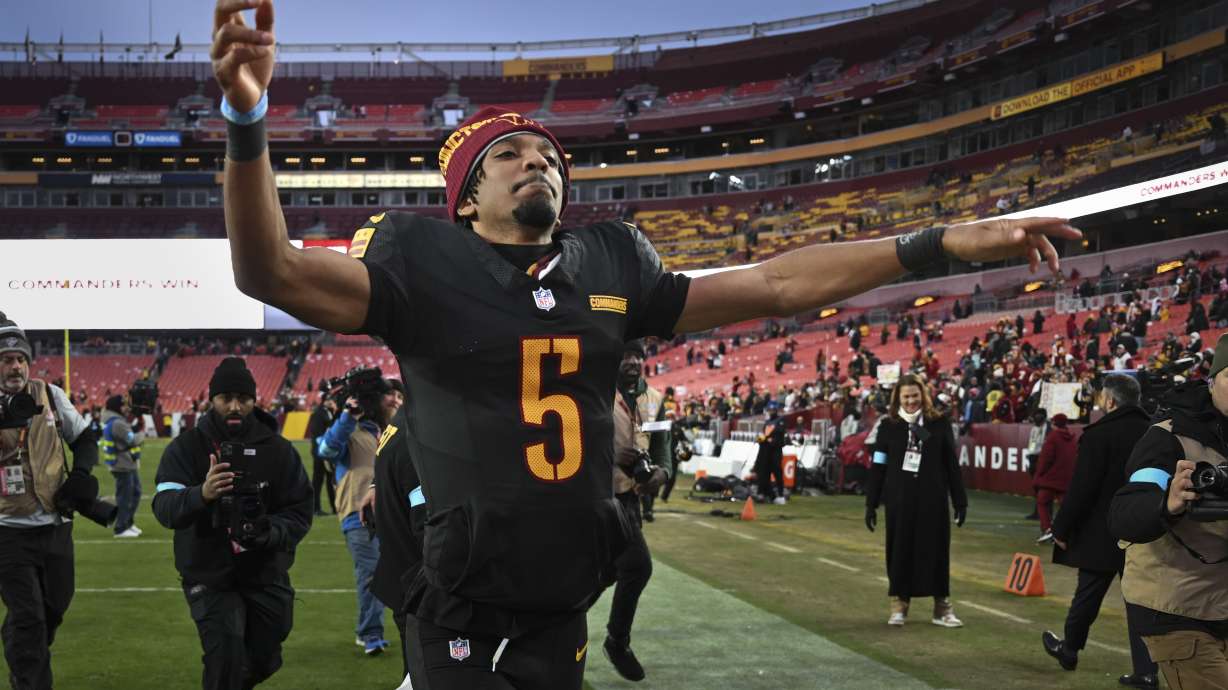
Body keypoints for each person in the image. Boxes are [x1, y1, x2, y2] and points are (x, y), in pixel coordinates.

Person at [209, 3, 1078, 683]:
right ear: (465, 199)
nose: (537, 162)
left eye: (547, 155)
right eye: (509, 154)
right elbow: (270, 272)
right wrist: (247, 121)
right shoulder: (420, 257)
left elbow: (775, 283)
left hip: (564, 593)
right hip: (462, 597)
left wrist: (942, 242)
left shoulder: (609, 263)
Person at [152, 356, 313, 690]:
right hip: (209, 574)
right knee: (224, 656)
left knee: (266, 657)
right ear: (212, 400)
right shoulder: (187, 448)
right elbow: (165, 508)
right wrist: (202, 494)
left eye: (243, 398)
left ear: (256, 400)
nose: (235, 406)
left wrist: (270, 532)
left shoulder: (279, 451)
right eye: (226, 398)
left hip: (265, 571)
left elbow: (299, 511)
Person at [1109, 334, 1228, 690]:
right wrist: (1167, 503)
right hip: (1174, 604)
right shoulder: (1168, 438)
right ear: (1213, 379)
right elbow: (1126, 511)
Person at [0, 312, 109, 689]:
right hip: (7, 530)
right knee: (28, 616)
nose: (15, 366)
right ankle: (29, 680)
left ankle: (21, 650)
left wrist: (81, 475)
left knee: (54, 607)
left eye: (20, 359)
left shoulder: (49, 394)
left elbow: (86, 440)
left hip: (55, 525)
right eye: (5, 359)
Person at [1041, 374, 1158, 688]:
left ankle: (1069, 649)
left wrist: (1061, 527)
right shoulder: (1155, 431)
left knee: (1088, 595)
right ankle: (1147, 670)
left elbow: (1082, 489)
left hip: (1102, 531)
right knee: (1142, 602)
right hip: (1145, 530)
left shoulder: (1099, 434)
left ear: (1110, 400)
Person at [865, 374, 967, 627]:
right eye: (906, 396)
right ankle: (899, 604)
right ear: (897, 398)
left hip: (933, 498)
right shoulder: (888, 426)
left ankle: (941, 606)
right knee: (899, 550)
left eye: (915, 395)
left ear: (923, 394)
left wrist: (960, 501)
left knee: (937, 550)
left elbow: (951, 464)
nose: (911, 401)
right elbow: (878, 465)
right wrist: (871, 503)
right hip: (899, 500)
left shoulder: (939, 423)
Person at [599, 341, 670, 681]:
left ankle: (613, 639)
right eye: (625, 355)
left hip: (629, 498)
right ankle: (615, 641)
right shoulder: (594, 391)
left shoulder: (655, 399)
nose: (632, 362)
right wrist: (610, 457)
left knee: (623, 569)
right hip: (594, 494)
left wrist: (662, 473)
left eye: (638, 356)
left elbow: (662, 446)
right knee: (630, 567)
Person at [317, 376, 396, 656]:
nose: (393, 401)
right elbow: (325, 450)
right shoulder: (349, 429)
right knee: (371, 572)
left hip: (391, 513)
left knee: (392, 572)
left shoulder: (386, 431)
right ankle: (370, 633)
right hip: (356, 512)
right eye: (388, 397)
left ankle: (382, 630)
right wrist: (348, 416)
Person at [365, 404, 431, 689]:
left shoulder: (403, 420)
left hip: (405, 581)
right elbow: (429, 530)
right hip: (424, 592)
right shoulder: (422, 432)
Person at [101, 393, 146, 538]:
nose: (127, 408)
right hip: (122, 464)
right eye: (124, 405)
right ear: (117, 407)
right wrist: (141, 433)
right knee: (125, 497)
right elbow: (133, 440)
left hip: (125, 463)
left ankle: (128, 523)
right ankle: (121, 528)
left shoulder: (117, 421)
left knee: (135, 493)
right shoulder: (118, 423)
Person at [1034, 414, 1077, 544]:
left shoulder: (1053, 437)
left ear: (1054, 424)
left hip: (1050, 478)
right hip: (1066, 478)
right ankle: (1062, 531)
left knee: (1042, 502)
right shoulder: (1072, 439)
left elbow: (1045, 459)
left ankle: (1048, 530)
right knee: (1064, 507)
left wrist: (1038, 476)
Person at [306, 393, 338, 516]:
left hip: (326, 450)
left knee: (330, 479)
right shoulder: (318, 413)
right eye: (330, 399)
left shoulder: (328, 412)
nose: (332, 402)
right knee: (318, 480)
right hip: (320, 451)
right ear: (325, 400)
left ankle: (334, 507)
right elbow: (317, 433)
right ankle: (315, 508)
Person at [754, 407, 788, 504]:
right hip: (766, 451)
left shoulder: (781, 420)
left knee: (777, 472)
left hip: (776, 451)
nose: (771, 412)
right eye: (770, 410)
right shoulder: (767, 422)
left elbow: (779, 433)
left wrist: (769, 440)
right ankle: (766, 493)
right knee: (765, 472)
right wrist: (761, 439)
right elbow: (764, 434)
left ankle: (781, 495)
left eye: (773, 410)